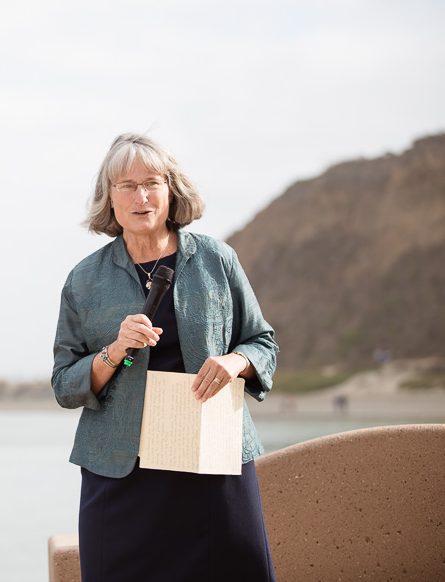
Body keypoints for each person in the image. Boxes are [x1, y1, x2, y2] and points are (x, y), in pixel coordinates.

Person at [52, 133, 278, 581]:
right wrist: (114, 352)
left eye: (151, 182)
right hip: (122, 474)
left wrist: (235, 362)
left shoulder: (218, 259)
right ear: (109, 198)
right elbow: (64, 383)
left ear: (170, 190)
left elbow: (262, 344)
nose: (141, 196)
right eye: (126, 185)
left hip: (212, 462)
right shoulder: (83, 279)